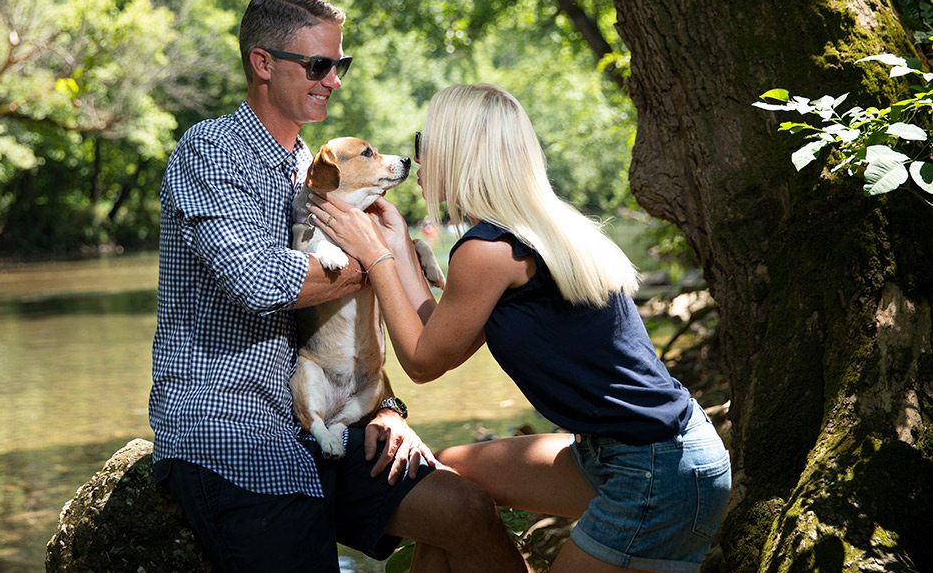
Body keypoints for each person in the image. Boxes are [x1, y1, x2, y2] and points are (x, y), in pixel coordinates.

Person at [148, 0, 526, 573]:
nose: (334, 81)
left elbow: (352, 322)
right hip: (236, 431)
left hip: (336, 417)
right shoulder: (211, 151)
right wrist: (375, 257)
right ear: (263, 63)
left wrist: (385, 408)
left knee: (466, 510)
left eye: (339, 65)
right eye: (319, 65)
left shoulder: (321, 166)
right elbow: (260, 281)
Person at [308, 83, 732, 573]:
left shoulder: (487, 251)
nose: (416, 158)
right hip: (639, 450)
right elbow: (436, 336)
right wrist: (398, 242)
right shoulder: (538, 229)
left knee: (443, 496)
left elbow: (421, 363)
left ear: (458, 152)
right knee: (445, 481)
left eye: (426, 143)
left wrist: (375, 256)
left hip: (657, 471)